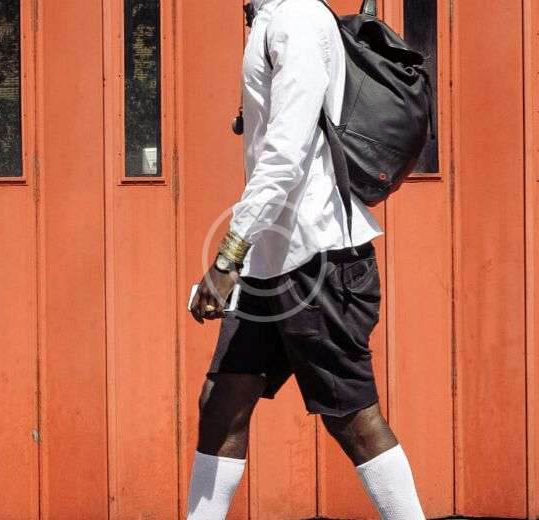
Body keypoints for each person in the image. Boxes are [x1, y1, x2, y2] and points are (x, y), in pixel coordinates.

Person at [186, 0, 426, 518]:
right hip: (272, 262)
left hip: (318, 261)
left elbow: (285, 155)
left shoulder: (296, 20)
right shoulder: (273, 18)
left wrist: (227, 258)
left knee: (353, 419)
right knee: (222, 403)